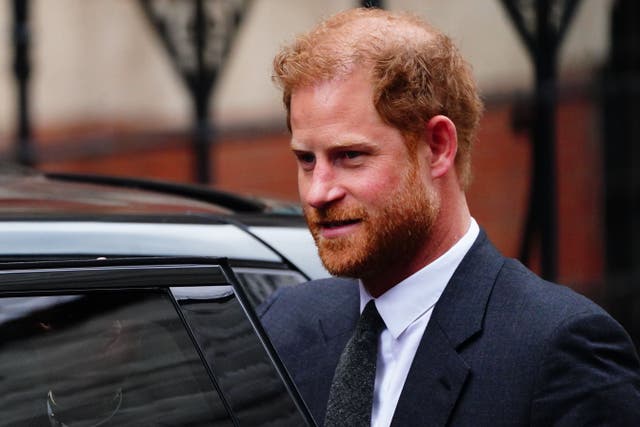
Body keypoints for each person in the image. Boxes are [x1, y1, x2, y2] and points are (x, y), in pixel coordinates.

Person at [258, 7, 640, 426]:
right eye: (306, 160)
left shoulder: (558, 350)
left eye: (350, 156)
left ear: (438, 146)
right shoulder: (283, 326)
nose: (318, 192)